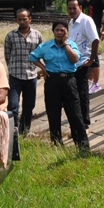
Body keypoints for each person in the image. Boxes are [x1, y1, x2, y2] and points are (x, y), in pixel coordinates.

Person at [29, 20, 89, 149]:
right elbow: (33, 57)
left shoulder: (72, 45)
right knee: (53, 113)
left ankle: (82, 145)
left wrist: (66, 43)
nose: (60, 33)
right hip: (52, 82)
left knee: (75, 113)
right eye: (57, 30)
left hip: (69, 81)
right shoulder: (46, 46)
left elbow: (75, 59)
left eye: (63, 30)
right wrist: (43, 69)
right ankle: (57, 145)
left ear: (67, 32)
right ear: (53, 31)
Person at [4, 8, 42, 135]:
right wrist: (11, 69)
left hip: (31, 76)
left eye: (24, 19)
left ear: (30, 19)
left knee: (29, 106)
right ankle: (13, 130)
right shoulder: (10, 35)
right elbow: (7, 55)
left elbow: (40, 54)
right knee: (13, 106)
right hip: (15, 76)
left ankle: (24, 131)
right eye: (19, 19)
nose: (21, 22)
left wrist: (41, 70)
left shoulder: (37, 35)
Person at [67, 0, 99, 129]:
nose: (72, 10)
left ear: (80, 7)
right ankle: (77, 119)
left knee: (82, 92)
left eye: (74, 8)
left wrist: (91, 60)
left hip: (83, 62)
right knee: (74, 93)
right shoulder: (71, 22)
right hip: (73, 63)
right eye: (70, 8)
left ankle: (85, 121)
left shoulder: (86, 20)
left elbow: (95, 40)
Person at [80, 0, 104, 93]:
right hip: (85, 31)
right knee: (87, 54)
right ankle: (90, 81)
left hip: (94, 31)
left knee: (94, 56)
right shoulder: (83, 1)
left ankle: (96, 83)